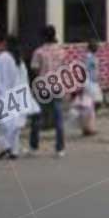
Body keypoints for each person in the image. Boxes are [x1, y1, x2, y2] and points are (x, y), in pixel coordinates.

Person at [0, 35, 37, 160]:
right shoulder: (19, 60)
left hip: (3, 95)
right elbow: (24, 79)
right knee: (13, 125)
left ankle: (6, 146)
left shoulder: (3, 57)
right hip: (17, 96)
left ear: (6, 43)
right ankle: (13, 150)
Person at [29, 24, 66, 157]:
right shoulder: (61, 51)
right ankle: (60, 149)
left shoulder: (39, 52)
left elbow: (34, 69)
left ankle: (34, 147)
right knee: (59, 119)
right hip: (57, 87)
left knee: (37, 117)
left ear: (44, 36)